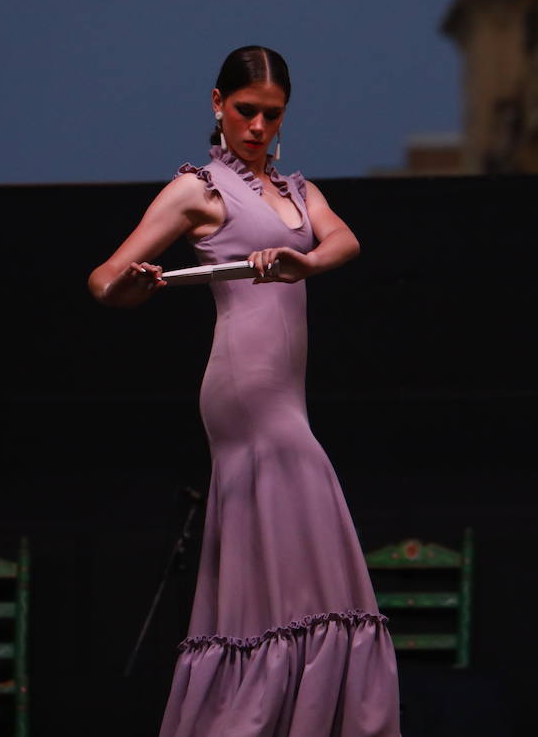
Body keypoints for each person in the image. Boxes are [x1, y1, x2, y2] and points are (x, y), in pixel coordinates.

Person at [88, 46, 400, 736]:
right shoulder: (197, 189)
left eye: (272, 114)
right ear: (217, 104)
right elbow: (104, 277)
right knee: (306, 541)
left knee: (294, 562)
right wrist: (133, 286)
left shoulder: (297, 191)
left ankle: (297, 711)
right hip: (244, 390)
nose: (258, 125)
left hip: (287, 393)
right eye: (245, 110)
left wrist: (304, 261)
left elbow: (344, 241)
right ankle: (258, 712)